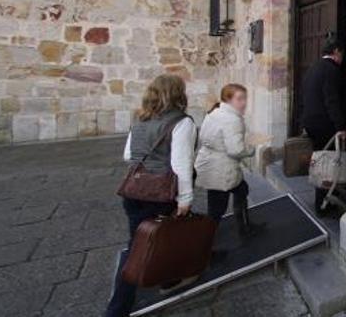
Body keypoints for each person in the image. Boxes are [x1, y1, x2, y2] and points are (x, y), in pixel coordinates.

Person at [105, 74, 197, 317]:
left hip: (134, 190)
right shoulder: (181, 122)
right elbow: (181, 165)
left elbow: (129, 155)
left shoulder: (140, 118)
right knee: (137, 248)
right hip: (159, 193)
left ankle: (169, 278)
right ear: (178, 93)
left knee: (157, 238)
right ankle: (116, 309)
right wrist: (185, 198)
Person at [194, 83, 262, 235]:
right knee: (217, 210)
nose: (244, 102)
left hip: (210, 164)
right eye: (239, 99)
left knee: (241, 190)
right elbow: (235, 150)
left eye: (245, 98)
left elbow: (203, 137)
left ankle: (244, 227)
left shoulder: (213, 113)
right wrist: (251, 147)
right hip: (222, 169)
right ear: (228, 99)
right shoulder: (232, 119)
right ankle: (206, 245)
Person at [300, 42, 346, 150]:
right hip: (325, 125)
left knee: (316, 160)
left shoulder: (312, 68)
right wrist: (340, 127)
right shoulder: (332, 70)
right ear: (336, 51)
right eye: (342, 55)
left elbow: (303, 98)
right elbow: (332, 101)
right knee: (328, 161)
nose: (342, 59)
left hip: (309, 124)